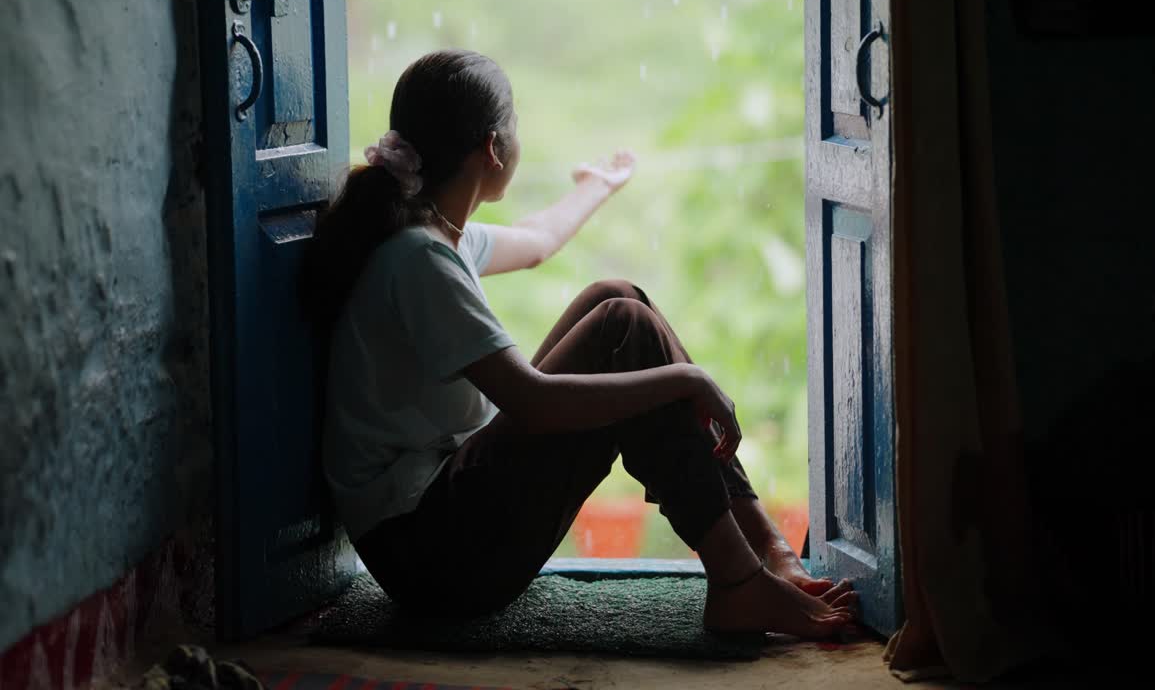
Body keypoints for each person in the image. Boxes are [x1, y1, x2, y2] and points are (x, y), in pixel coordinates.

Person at [301, 49, 856, 637]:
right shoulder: (418, 258)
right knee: (624, 327)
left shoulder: (433, 229)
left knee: (617, 296)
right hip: (435, 557)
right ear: (494, 147)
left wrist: (599, 186)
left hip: (437, 532)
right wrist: (689, 378)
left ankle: (765, 547)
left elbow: (538, 240)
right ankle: (740, 581)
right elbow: (531, 401)